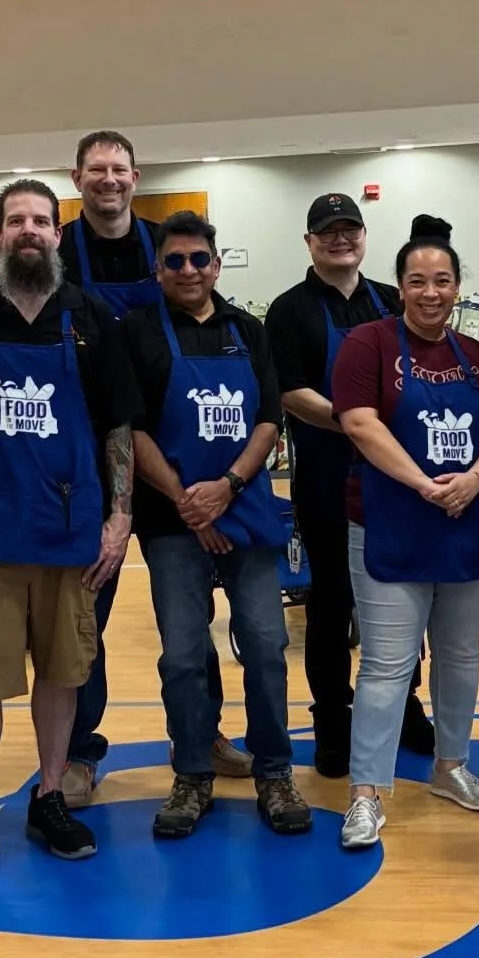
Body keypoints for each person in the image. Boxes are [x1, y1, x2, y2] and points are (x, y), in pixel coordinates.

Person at [0, 180, 138, 884]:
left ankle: (48, 796)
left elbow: (117, 426)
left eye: (42, 221)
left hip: (69, 533)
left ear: (56, 233)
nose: (30, 231)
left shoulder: (90, 317)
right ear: (1, 233)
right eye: (17, 220)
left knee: (62, 674)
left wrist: (120, 515)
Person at [58, 130, 244, 805]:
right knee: (85, 609)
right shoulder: (55, 254)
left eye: (119, 170)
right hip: (88, 453)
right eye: (96, 170)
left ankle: (203, 734)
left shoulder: (169, 246)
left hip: (169, 457)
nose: (108, 180)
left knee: (192, 617)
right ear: (76, 178)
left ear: (136, 177)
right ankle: (79, 750)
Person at [124, 211, 311, 840]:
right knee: (182, 654)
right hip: (172, 521)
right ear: (158, 269)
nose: (187, 271)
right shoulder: (138, 332)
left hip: (245, 514)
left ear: (216, 263)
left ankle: (275, 772)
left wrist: (226, 488)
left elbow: (267, 421)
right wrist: (186, 500)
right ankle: (193, 773)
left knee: (265, 645)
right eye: (174, 261)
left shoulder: (248, 331)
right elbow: (132, 429)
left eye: (198, 259)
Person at [333, 215, 479, 851]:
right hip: (391, 524)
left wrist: (475, 478)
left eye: (442, 281)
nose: (431, 292)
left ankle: (450, 766)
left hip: (467, 525)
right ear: (400, 287)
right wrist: (424, 484)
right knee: (387, 665)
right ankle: (365, 793)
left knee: (461, 655)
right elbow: (359, 423)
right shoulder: (368, 345)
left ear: (458, 287)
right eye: (418, 281)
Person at [266, 193, 436, 778]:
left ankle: (405, 706)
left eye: (350, 229)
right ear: (309, 242)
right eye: (328, 232)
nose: (340, 240)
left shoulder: (390, 303)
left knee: (399, 596)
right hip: (324, 479)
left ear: (364, 237)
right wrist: (354, 419)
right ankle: (332, 721)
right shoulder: (288, 312)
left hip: (390, 480)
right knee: (331, 602)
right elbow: (289, 391)